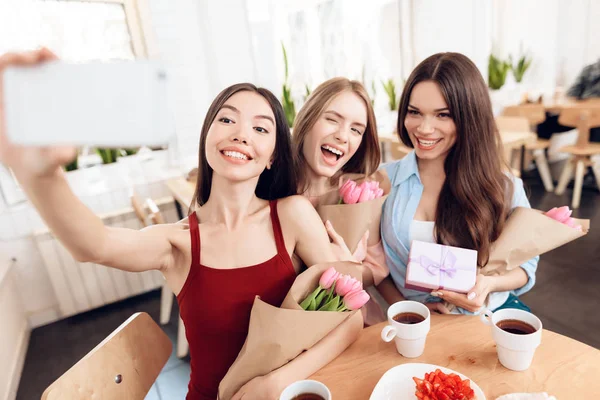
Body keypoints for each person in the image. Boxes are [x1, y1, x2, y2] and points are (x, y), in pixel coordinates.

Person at [0, 49, 362, 400]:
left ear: (273, 157)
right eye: (226, 119)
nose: (241, 134)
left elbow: (351, 319)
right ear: (206, 138)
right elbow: (93, 244)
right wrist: (39, 174)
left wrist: (277, 383)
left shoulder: (293, 215)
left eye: (260, 128)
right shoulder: (178, 244)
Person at [375, 52, 539, 315]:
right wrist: (408, 308)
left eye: (443, 115)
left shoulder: (504, 186)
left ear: (469, 118)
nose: (424, 128)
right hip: (416, 321)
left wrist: (489, 284)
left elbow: (527, 265)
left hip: (490, 317)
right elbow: (376, 263)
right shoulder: (382, 182)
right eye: (415, 112)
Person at [292, 77, 388, 324]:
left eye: (356, 130)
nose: (343, 136)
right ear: (308, 119)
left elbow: (376, 269)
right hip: (290, 328)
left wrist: (350, 269)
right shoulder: (271, 195)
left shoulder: (358, 196)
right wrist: (343, 264)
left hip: (355, 324)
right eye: (332, 119)